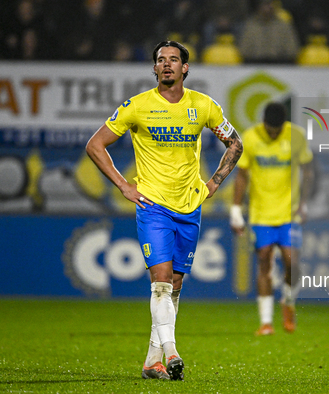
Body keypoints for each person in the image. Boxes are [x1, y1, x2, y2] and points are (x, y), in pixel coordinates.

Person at [85, 41, 243, 380]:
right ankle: (172, 354)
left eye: (173, 60)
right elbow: (95, 145)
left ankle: (151, 361)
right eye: (161, 60)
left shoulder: (203, 106)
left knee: (174, 283)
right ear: (154, 68)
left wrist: (214, 182)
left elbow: (235, 143)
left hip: (189, 207)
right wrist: (124, 185)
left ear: (185, 68)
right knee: (160, 283)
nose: (167, 65)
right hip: (152, 206)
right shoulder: (137, 106)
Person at [230, 102, 313, 335]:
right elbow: (242, 175)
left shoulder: (296, 136)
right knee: (264, 261)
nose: (273, 133)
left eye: (277, 130)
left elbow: (308, 171)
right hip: (261, 213)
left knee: (292, 263)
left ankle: (287, 300)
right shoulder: (251, 137)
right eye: (270, 129)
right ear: (263, 123)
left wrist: (304, 203)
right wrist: (236, 209)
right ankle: (266, 322)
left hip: (290, 212)